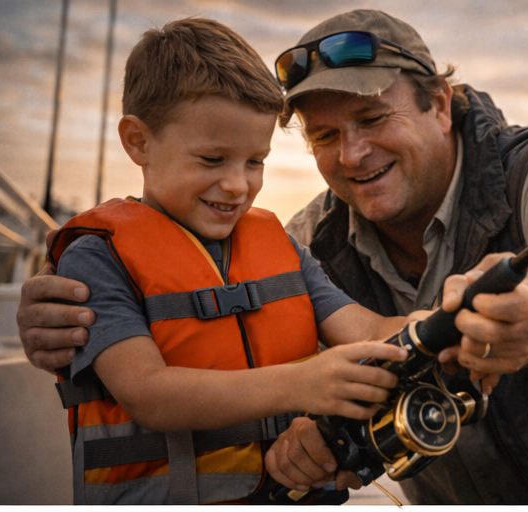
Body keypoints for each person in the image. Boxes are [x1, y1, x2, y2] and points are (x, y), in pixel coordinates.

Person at [16, 10, 528, 505]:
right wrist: (59, 316)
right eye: (324, 136)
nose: (351, 155)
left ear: (439, 103)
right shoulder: (305, 235)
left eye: (374, 119)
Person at [39, 17, 421, 505]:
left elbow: (369, 330)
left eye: (255, 161)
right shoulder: (96, 257)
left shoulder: (280, 246)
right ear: (138, 141)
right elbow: (149, 395)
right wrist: (304, 384)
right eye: (212, 159)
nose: (239, 185)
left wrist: (449, 324)